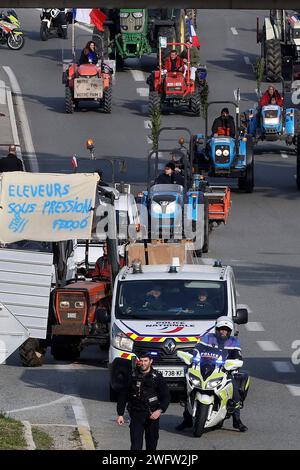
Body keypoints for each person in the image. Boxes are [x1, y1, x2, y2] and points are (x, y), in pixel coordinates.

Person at [176, 316, 248, 433]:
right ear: (216, 329)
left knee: (234, 391)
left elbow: (238, 355)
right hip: (205, 368)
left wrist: (235, 362)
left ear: (230, 331)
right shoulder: (208, 338)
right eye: (221, 329)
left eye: (225, 329)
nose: (223, 331)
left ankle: (237, 421)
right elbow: (196, 350)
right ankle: (187, 419)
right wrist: (191, 356)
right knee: (188, 386)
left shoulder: (234, 341)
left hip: (225, 371)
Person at [116, 351, 170, 450]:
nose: (143, 363)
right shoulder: (132, 376)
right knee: (135, 446)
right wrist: (120, 414)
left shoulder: (157, 377)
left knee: (151, 445)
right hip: (136, 414)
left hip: (152, 415)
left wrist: (159, 410)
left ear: (151, 361)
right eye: (141, 360)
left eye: (146, 361)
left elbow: (166, 396)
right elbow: (123, 395)